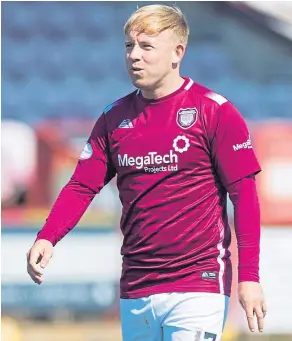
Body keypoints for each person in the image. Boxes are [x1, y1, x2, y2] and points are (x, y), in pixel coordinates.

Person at [27, 4, 266, 341]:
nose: (134, 56)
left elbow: (245, 198)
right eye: (129, 46)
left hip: (198, 283)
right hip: (137, 286)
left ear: (177, 53)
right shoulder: (114, 118)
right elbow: (82, 185)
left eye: (146, 46)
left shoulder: (215, 112)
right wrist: (48, 236)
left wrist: (250, 278)